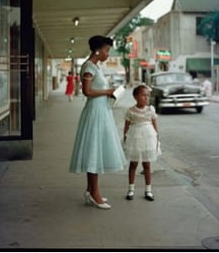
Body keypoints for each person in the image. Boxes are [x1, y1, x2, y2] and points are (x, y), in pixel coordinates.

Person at [69, 36, 127, 210]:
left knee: (96, 150)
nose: (108, 54)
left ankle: (90, 190)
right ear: (97, 50)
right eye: (106, 50)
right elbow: (86, 91)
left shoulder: (95, 67)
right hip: (95, 112)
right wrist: (108, 91)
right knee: (94, 151)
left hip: (102, 111)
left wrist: (110, 93)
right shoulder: (88, 67)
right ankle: (95, 193)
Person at [123, 84, 160, 201]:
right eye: (143, 95)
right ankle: (131, 189)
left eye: (147, 96)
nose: (146, 98)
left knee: (147, 165)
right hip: (134, 138)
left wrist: (157, 140)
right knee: (133, 164)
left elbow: (155, 127)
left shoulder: (151, 110)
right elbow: (126, 128)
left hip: (148, 139)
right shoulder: (130, 111)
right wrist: (125, 141)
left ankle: (148, 190)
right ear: (135, 96)